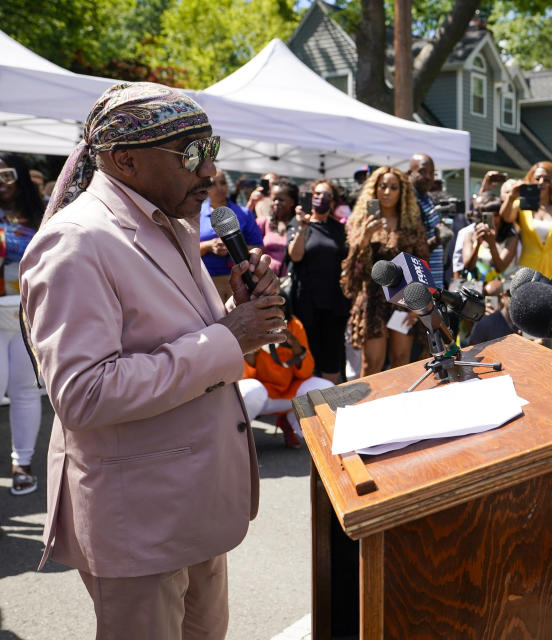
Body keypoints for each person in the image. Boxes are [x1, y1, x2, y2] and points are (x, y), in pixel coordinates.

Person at [19, 82, 284, 638]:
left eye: (211, 149)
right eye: (191, 154)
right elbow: (83, 394)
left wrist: (241, 314)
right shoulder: (76, 242)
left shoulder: (174, 225)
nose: (210, 171)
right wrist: (228, 338)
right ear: (125, 160)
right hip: (139, 522)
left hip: (195, 506)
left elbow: (185, 340)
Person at [341, 167, 429, 377]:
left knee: (401, 363)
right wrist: (366, 236)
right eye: (382, 186)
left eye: (393, 187)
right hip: (373, 301)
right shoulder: (361, 222)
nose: (387, 192)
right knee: (372, 365)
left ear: (402, 192)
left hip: (403, 300)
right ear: (374, 190)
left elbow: (421, 264)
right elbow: (352, 266)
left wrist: (417, 305)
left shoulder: (411, 224)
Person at [0, 153, 44, 497]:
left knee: (26, 390)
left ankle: (22, 464)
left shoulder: (41, 215)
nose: (2, 181)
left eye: (8, 174)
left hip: (29, 313)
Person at [238, 301, 333, 449]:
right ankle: (239, 442)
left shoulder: (294, 325)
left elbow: (306, 372)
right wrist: (253, 348)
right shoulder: (251, 327)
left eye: (280, 308)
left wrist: (294, 343)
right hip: (261, 393)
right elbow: (244, 376)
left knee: (326, 389)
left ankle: (292, 423)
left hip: (288, 390)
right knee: (250, 391)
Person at [287, 180, 350, 384]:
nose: (322, 199)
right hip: (306, 302)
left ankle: (329, 405)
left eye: (327, 196)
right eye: (318, 194)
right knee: (309, 353)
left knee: (331, 356)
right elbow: (295, 256)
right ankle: (309, 404)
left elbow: (347, 258)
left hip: (334, 301)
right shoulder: (297, 224)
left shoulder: (339, 229)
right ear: (310, 196)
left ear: (333, 202)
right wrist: (303, 227)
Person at [501, 161, 552, 278]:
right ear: (531, 180)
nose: (541, 182)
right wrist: (511, 197)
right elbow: (506, 217)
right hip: (527, 271)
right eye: (537, 178)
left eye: (547, 179)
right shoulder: (522, 204)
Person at [199, 170, 263, 301]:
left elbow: (259, 247)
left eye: (223, 183)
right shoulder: (195, 215)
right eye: (212, 184)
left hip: (240, 282)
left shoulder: (244, 213)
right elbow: (185, 249)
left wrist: (234, 247)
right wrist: (208, 246)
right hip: (205, 283)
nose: (219, 188)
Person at [408, 154, 447, 282]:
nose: (429, 177)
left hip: (434, 280)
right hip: (420, 284)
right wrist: (436, 240)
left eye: (432, 173)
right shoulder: (410, 203)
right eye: (422, 172)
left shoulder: (427, 198)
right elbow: (413, 249)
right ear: (410, 173)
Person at [258, 178, 298, 275]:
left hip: (291, 281)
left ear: (292, 202)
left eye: (281, 200)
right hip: (265, 281)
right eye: (274, 199)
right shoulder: (263, 223)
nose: (276, 203)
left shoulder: (299, 225)